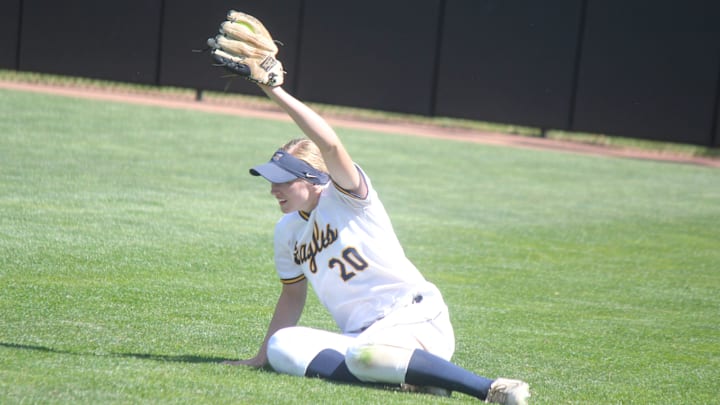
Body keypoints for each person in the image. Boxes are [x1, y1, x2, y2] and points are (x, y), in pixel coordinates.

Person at [221, 82, 530, 404]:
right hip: (363, 337)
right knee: (282, 346)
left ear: (312, 178)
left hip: (415, 318)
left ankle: (492, 388)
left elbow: (330, 146)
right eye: (272, 181)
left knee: (361, 354)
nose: (274, 189)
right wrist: (260, 357)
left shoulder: (347, 198)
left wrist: (274, 91)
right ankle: (409, 378)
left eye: (284, 181)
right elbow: (292, 294)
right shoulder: (286, 231)